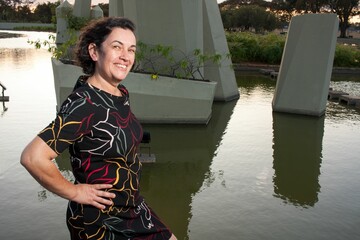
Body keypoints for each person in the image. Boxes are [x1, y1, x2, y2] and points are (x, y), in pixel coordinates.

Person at [20, 17, 177, 240]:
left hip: (130, 206)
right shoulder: (84, 103)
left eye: (131, 50)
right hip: (100, 219)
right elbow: (33, 157)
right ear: (94, 52)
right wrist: (75, 192)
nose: (126, 56)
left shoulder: (119, 93)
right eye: (116, 47)